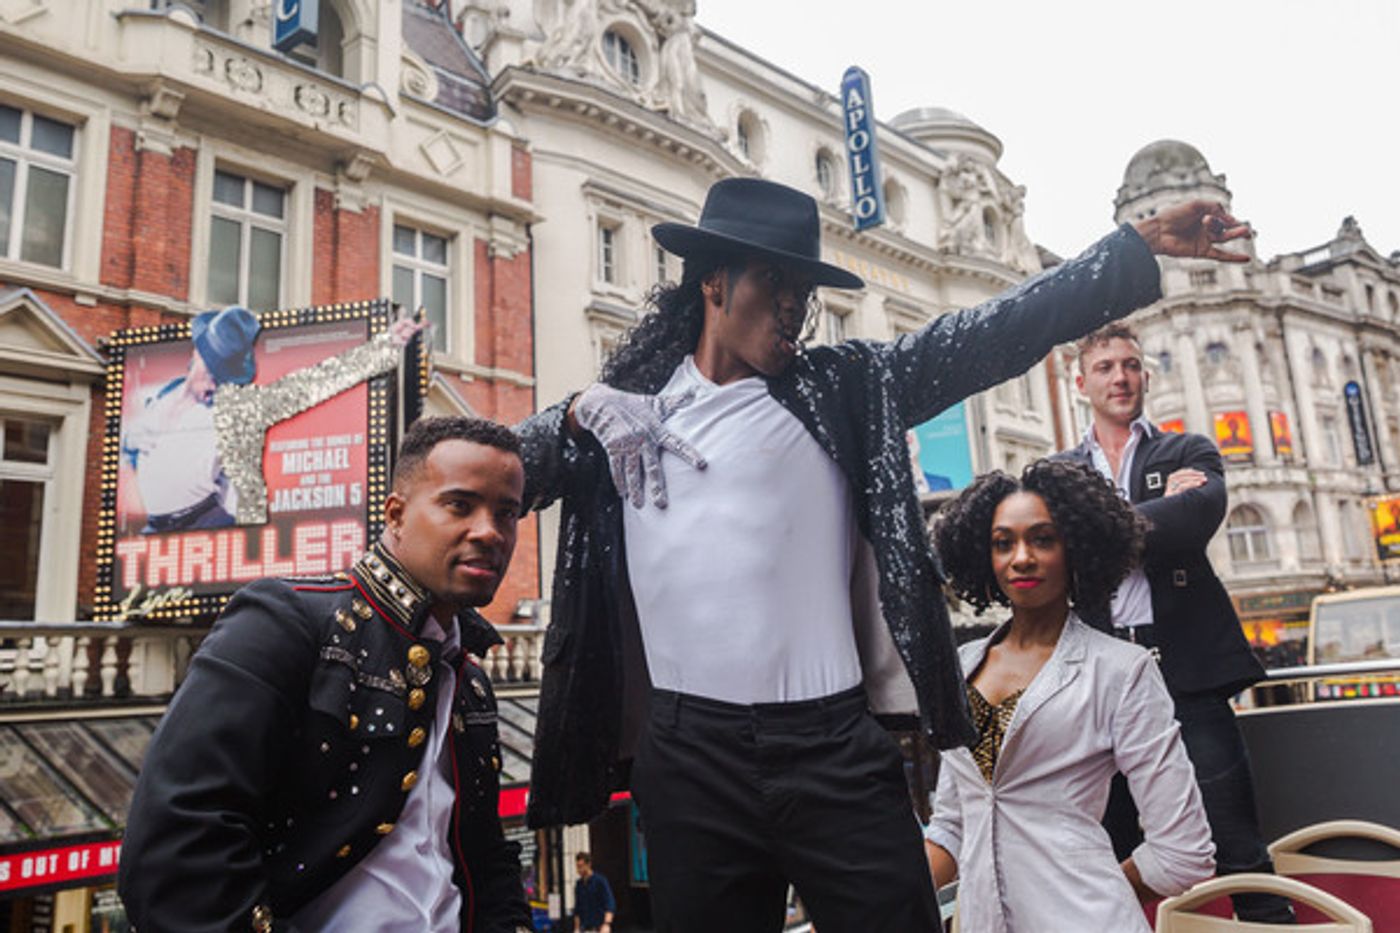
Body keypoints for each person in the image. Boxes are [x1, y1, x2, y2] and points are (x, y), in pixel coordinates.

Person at [515, 177, 1250, 933]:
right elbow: (495, 476)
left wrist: (1138, 245)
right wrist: (572, 415)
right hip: (688, 755)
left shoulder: (844, 387)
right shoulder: (628, 415)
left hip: (829, 745)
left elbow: (996, 332)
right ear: (713, 280)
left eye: (805, 286)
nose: (796, 304)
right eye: (776, 281)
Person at [118, 416, 534, 933]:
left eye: (507, 513)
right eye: (460, 505)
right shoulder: (286, 621)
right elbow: (180, 842)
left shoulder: (470, 679)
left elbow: (485, 858)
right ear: (397, 515)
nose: (489, 531)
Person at [1057, 323, 1295, 923]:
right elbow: (1056, 551)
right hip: (1098, 679)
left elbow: (1196, 521)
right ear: (1081, 381)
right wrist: (1154, 517)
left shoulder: (1188, 450)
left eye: (1132, 365)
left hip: (1185, 671)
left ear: (1144, 376)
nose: (1121, 377)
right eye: (1107, 366)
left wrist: (1092, 531)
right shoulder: (1056, 473)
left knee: (1237, 841)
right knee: (1103, 847)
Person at [925, 459, 1215, 932]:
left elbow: (1183, 852)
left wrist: (1082, 897)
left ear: (1077, 547)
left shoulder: (1122, 671)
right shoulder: (960, 667)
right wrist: (859, 914)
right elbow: (951, 830)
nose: (1021, 557)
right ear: (983, 555)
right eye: (1003, 543)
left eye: (1043, 538)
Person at [121, 305, 423, 531]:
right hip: (156, 531)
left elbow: (311, 384)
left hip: (206, 526)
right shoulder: (155, 397)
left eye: (224, 378)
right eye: (214, 373)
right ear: (198, 356)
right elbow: (132, 448)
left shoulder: (239, 406)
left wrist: (386, 346)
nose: (215, 385)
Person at [573, 852, 615, 933]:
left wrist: (606, 924)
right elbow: (577, 908)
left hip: (599, 926)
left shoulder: (600, 881)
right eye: (577, 867)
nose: (578, 870)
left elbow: (609, 903)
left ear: (588, 865)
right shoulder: (579, 884)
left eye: (581, 866)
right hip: (584, 927)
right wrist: (576, 928)